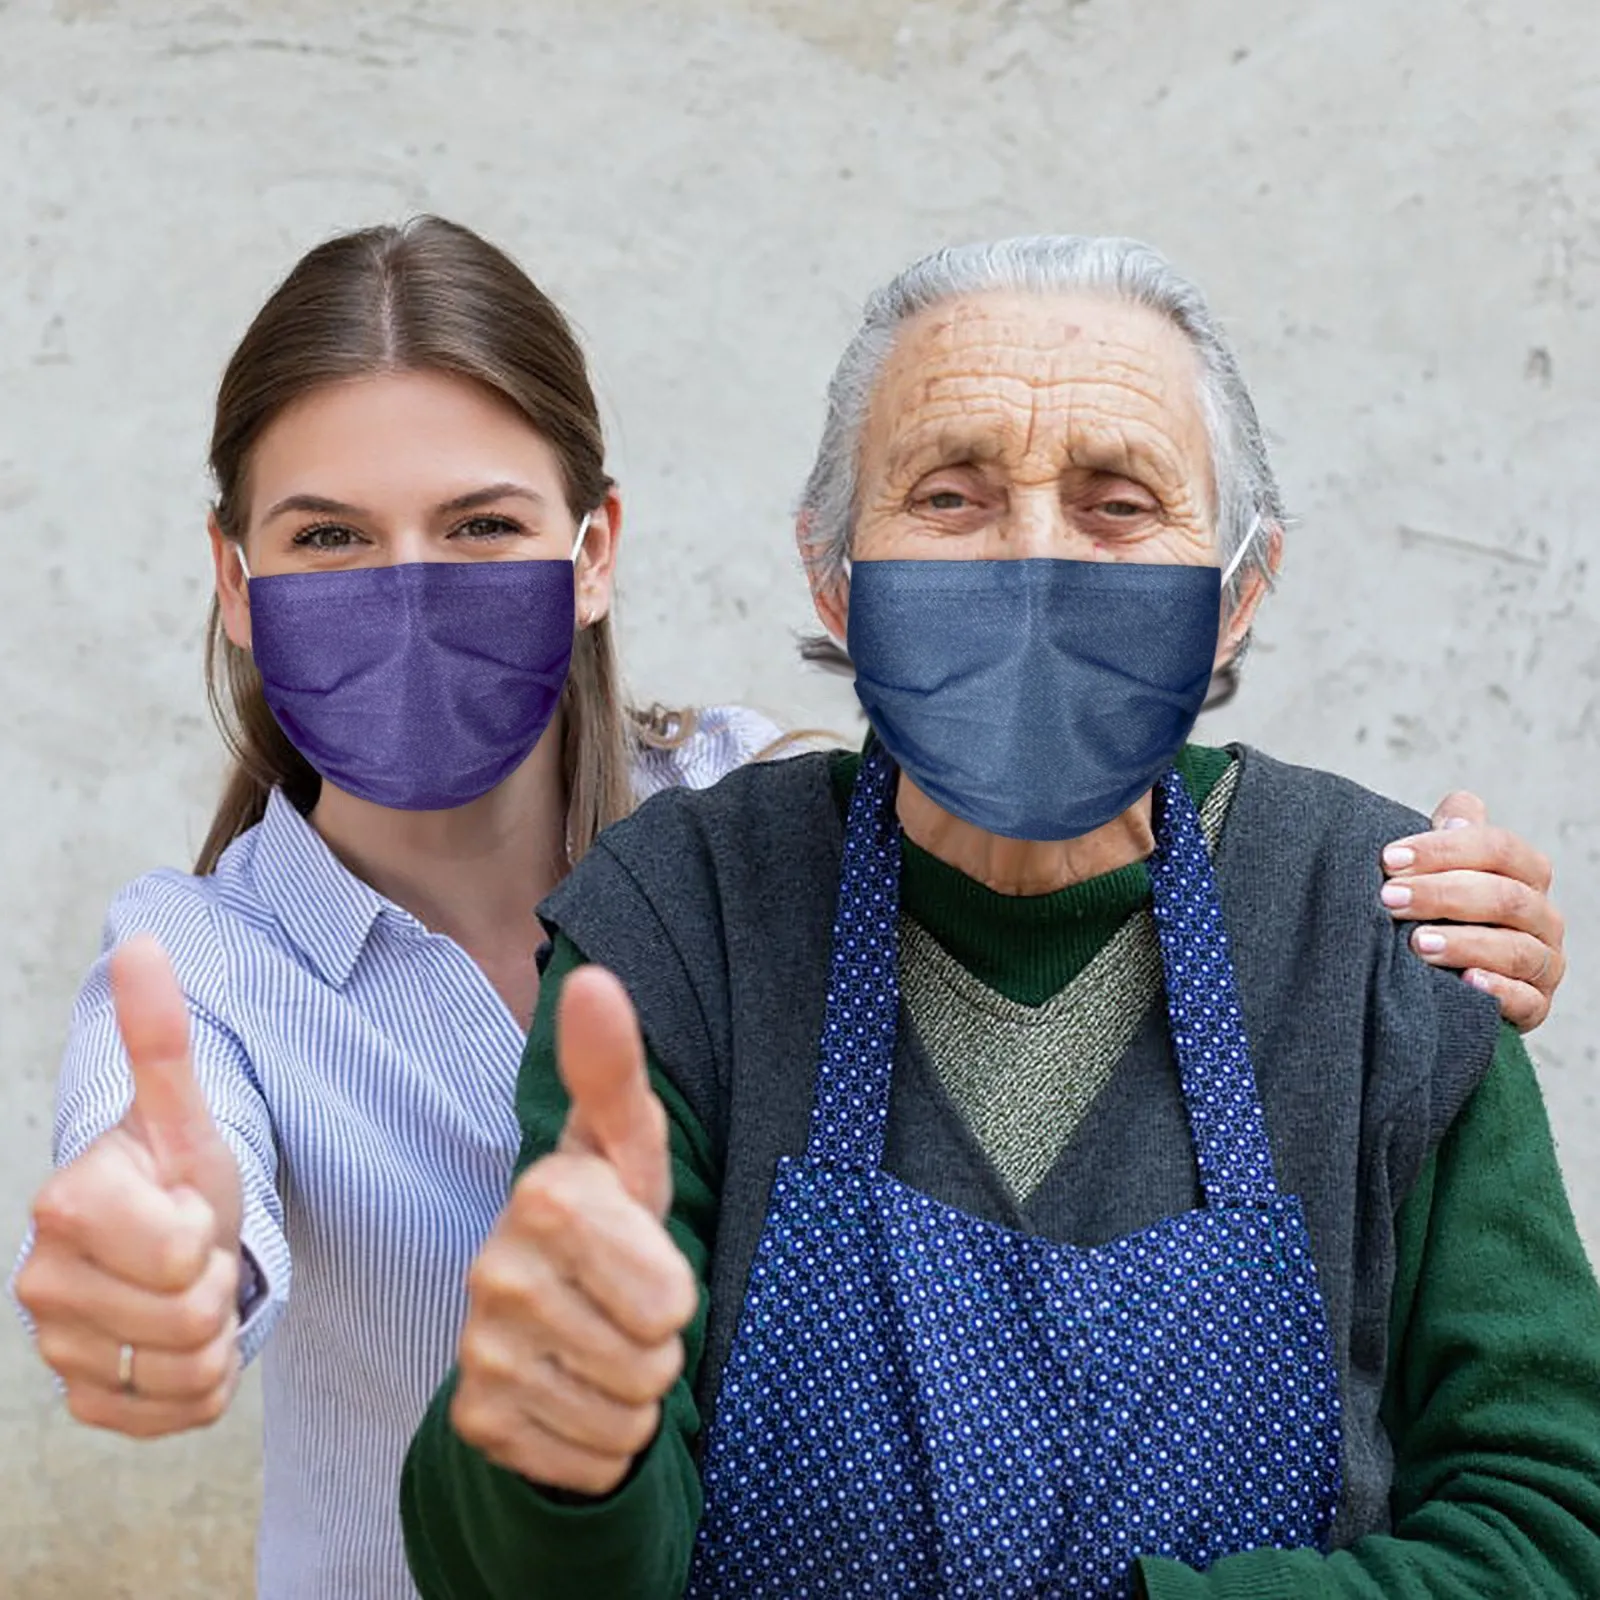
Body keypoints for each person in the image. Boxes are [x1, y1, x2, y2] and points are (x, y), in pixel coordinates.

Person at [400, 235, 1600, 1599]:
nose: (1034, 560)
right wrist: (561, 1455)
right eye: (951, 497)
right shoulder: (683, 923)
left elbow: (1551, 1527)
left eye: (1117, 504)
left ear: (1238, 591)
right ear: (834, 578)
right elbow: (521, 1567)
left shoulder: (1384, 928)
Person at [8, 218, 784, 1600]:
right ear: (236, 581)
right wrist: (165, 1278)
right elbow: (163, 1172)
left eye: (483, 526)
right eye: (329, 537)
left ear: (593, 551)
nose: (410, 594)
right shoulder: (195, 963)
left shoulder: (755, 817)